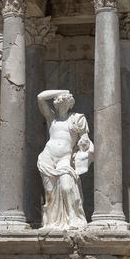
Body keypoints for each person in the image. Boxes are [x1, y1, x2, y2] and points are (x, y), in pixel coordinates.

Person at [37, 89, 94, 229]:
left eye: (65, 103)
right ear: (56, 105)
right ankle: (53, 222)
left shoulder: (77, 119)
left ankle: (74, 220)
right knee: (50, 194)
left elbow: (85, 139)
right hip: (47, 157)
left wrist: (84, 143)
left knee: (67, 187)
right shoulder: (52, 119)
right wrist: (62, 91)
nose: (62, 106)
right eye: (59, 103)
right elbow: (40, 98)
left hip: (64, 158)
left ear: (70, 104)